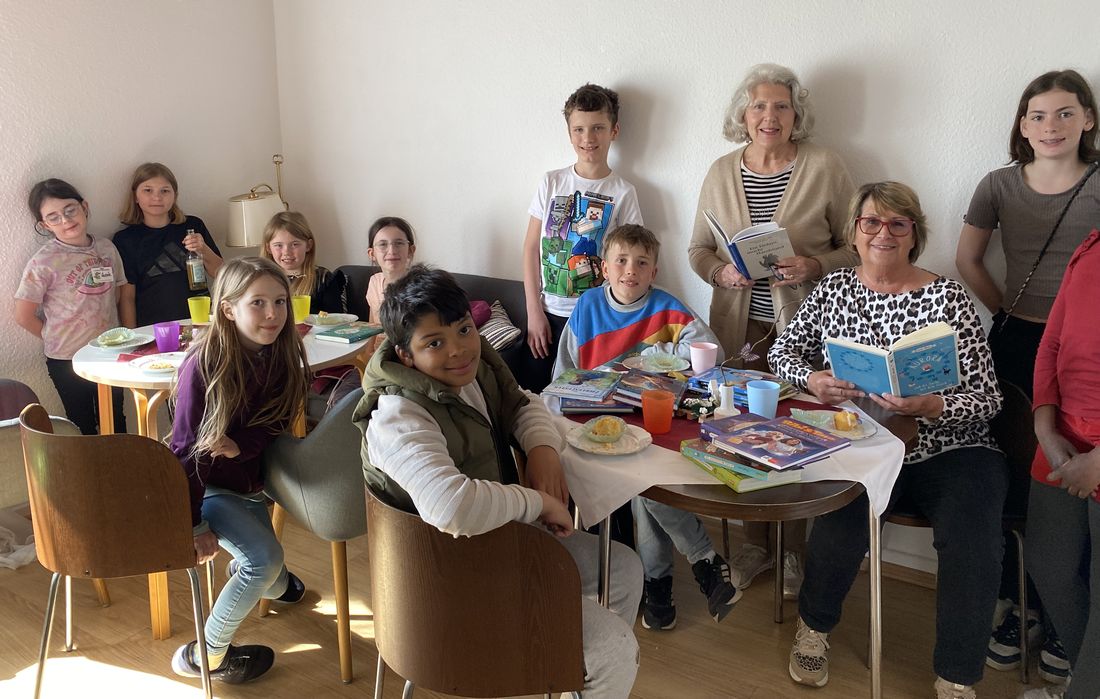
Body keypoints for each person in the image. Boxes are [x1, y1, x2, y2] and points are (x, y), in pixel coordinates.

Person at [353, 265, 643, 698]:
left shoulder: (470, 372)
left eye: (464, 330)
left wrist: (541, 449)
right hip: (442, 583)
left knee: (623, 569)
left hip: (495, 544)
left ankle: (568, 676)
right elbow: (451, 507)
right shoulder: (398, 416)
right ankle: (566, 664)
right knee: (614, 651)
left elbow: (523, 401)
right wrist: (538, 502)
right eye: (434, 342)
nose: (459, 350)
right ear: (405, 355)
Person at [769, 182, 1008, 699]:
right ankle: (814, 627)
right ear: (855, 232)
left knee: (973, 540)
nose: (884, 233)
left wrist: (933, 405)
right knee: (839, 521)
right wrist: (812, 379)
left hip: (952, 446)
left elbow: (989, 398)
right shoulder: (833, 289)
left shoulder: (948, 297)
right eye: (872, 222)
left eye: (898, 223)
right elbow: (781, 353)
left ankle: (957, 676)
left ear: (914, 235)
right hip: (866, 442)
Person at [688, 63, 858, 601]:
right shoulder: (720, 171)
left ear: (795, 114)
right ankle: (755, 545)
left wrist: (816, 265)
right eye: (759, 105)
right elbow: (697, 250)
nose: (769, 115)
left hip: (806, 331)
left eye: (781, 105)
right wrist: (721, 272)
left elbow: (858, 245)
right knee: (740, 434)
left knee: (800, 437)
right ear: (743, 114)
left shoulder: (825, 166)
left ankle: (794, 552)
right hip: (740, 330)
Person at [955, 70, 1098, 681]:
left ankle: (1071, 622)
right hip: (1017, 344)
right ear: (1022, 124)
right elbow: (967, 259)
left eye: (1065, 113)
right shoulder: (999, 184)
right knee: (1018, 477)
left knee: (1077, 483)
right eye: (1037, 115)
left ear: (1088, 119)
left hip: (1087, 352)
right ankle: (1022, 605)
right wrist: (1007, 314)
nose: (1051, 126)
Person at [554, 223, 736, 631]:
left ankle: (659, 586)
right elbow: (563, 375)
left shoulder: (668, 308)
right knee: (644, 485)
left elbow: (713, 352)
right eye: (621, 261)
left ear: (654, 271)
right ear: (605, 268)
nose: (630, 270)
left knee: (644, 486)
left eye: (641, 263)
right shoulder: (587, 308)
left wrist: (662, 351)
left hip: (652, 424)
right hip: (597, 428)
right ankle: (699, 562)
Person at [169, 257, 311, 684]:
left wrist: (239, 446)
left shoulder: (280, 353)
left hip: (252, 485)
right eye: (258, 303)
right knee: (264, 561)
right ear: (229, 309)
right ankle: (203, 656)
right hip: (210, 488)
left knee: (272, 575)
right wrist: (194, 525)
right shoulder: (203, 364)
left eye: (280, 301)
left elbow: (273, 424)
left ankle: (270, 582)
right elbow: (185, 452)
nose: (273, 314)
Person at [1017, 229, 1100, 699]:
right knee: (1049, 563)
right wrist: (1045, 430)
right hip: (1062, 435)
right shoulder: (1090, 247)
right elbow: (1051, 342)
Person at [522, 83, 643, 392]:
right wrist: (533, 311)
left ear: (614, 131)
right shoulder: (551, 182)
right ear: (569, 133)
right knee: (539, 399)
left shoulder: (623, 192)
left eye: (597, 128)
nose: (588, 138)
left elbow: (629, 259)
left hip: (595, 317)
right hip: (548, 315)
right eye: (579, 129)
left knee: (587, 398)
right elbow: (531, 248)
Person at [14, 178, 129, 436]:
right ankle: (88, 465)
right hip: (67, 360)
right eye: (53, 217)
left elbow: (117, 295)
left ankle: (119, 464)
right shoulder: (43, 262)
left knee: (115, 421)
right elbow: (23, 315)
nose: (66, 220)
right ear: (44, 225)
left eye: (70, 210)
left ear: (84, 207)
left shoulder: (106, 248)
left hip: (108, 353)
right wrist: (56, 338)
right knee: (81, 425)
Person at [114, 162, 223, 327]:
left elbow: (222, 274)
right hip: (154, 329)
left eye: (164, 191)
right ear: (135, 196)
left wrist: (203, 249)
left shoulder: (192, 226)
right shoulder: (126, 239)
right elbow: (127, 297)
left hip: (199, 322)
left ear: (175, 195)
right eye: (148, 190)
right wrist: (132, 336)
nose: (157, 197)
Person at [260, 211, 347, 314]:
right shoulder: (261, 279)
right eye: (279, 245)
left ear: (308, 245)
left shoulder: (323, 279)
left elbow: (336, 319)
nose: (287, 252)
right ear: (268, 248)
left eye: (295, 244)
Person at [365, 216, 416, 323]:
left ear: (411, 250)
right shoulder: (375, 281)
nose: (392, 251)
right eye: (383, 244)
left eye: (399, 243)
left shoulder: (421, 286)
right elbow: (371, 327)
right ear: (372, 253)